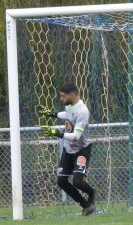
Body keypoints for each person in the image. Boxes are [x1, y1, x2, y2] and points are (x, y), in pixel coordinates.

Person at [39, 83, 97, 216]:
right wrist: (52, 114)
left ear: (72, 95)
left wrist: (57, 133)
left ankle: (92, 192)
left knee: (77, 182)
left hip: (81, 150)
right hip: (68, 150)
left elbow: (76, 136)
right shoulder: (70, 106)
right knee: (61, 181)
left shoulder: (83, 111)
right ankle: (87, 206)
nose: (61, 99)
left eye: (63, 96)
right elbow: (68, 114)